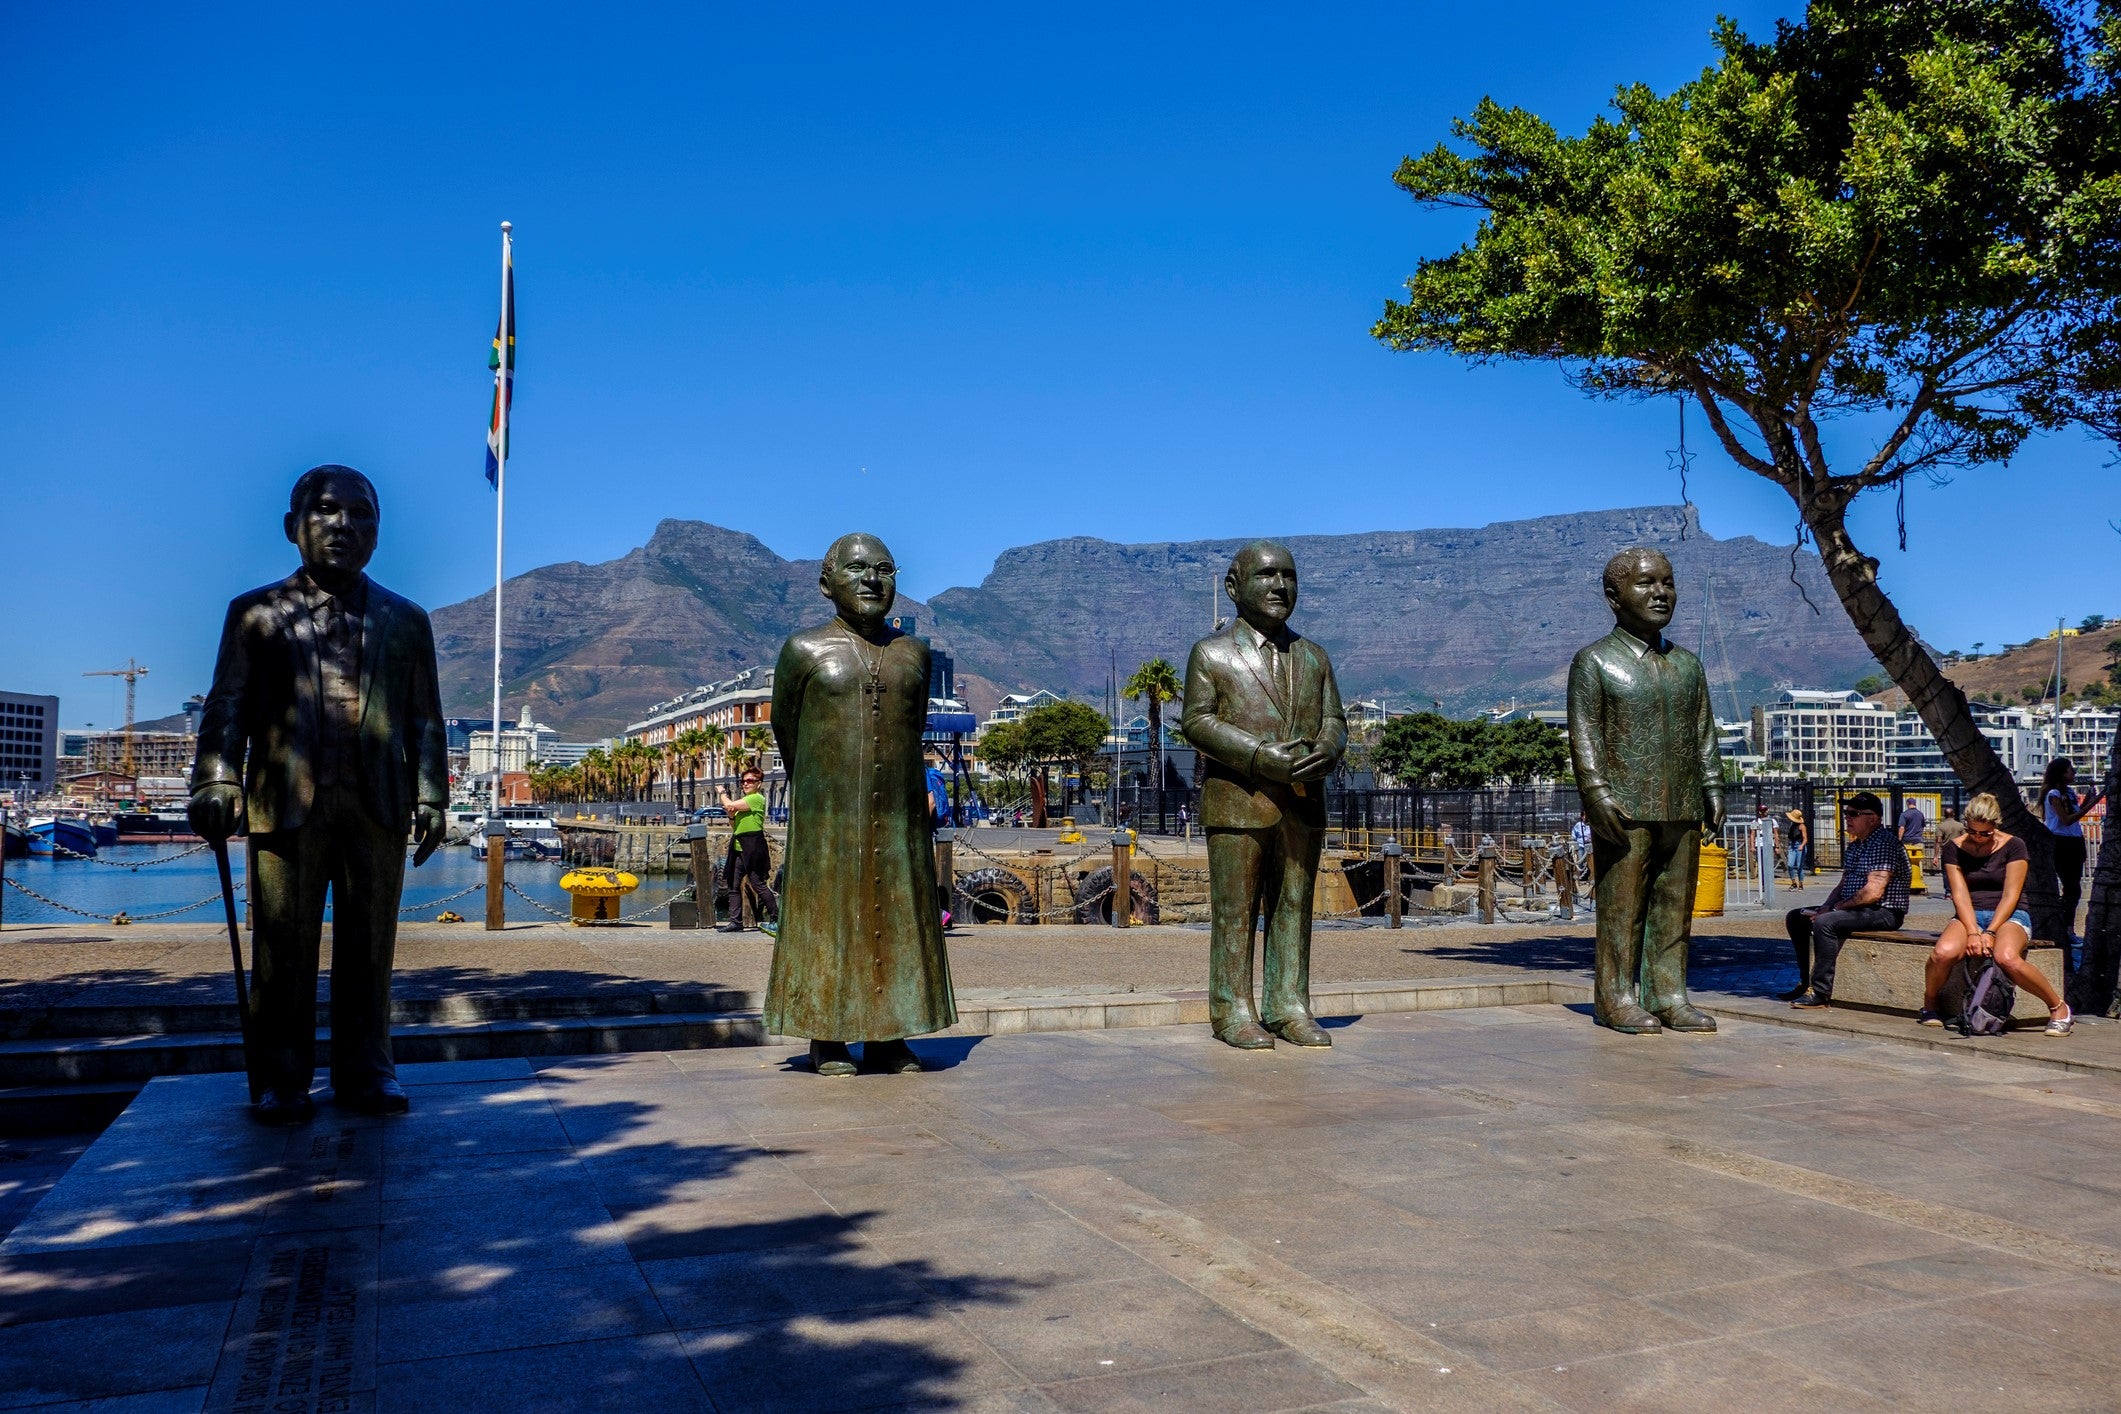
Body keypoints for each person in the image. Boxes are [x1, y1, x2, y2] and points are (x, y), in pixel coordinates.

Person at [189, 465, 448, 1124]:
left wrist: (432, 796)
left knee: (371, 946)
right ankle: (282, 1077)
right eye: (328, 511)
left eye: (362, 515)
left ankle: (368, 1069)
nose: (345, 527)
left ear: (378, 532)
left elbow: (424, 719)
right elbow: (228, 705)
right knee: (282, 945)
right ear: (292, 527)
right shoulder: (254, 614)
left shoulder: (406, 620)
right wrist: (217, 777)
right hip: (284, 803)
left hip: (377, 804)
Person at [767, 533, 955, 1076]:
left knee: (897, 914)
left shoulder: (913, 654)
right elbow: (788, 731)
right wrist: (827, 788)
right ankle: (826, 1037)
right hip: (828, 814)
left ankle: (889, 1035)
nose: (873, 579)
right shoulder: (801, 650)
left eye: (885, 569)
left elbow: (913, 727)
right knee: (826, 917)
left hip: (897, 813)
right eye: (856, 569)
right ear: (827, 583)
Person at [1182, 540, 1348, 1049]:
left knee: (1294, 907)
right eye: (1267, 575)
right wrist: (1258, 755)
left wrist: (1328, 748)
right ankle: (1232, 1010)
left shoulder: (1313, 656)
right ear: (1234, 588)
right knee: (1235, 911)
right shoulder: (1211, 654)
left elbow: (1335, 719)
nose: (1281, 586)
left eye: (1290, 577)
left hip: (1302, 801)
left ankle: (1288, 1004)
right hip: (1238, 802)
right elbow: (1196, 721)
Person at [1567, 548, 1724, 1033]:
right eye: (1646, 583)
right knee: (1623, 907)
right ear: (1614, 598)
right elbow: (1584, 734)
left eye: (1668, 582)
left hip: (1682, 802)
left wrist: (1714, 783)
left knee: (1674, 906)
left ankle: (1668, 992)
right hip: (1625, 807)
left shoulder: (1688, 665)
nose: (1660, 592)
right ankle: (1615, 996)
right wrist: (1595, 793)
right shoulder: (1594, 662)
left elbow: (1704, 731)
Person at [1921, 791, 2071, 1035]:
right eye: (1972, 832)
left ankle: (2058, 1007)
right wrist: (1972, 932)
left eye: (1985, 833)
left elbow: (2011, 895)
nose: (1978, 838)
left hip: (2010, 913)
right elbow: (1960, 894)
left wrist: (1990, 931)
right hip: (1970, 913)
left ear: (1995, 826)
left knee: (2007, 957)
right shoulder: (1954, 848)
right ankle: (1929, 1002)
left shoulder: (2014, 845)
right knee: (1942, 954)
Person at [1782, 792, 1909, 1008]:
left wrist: (1833, 910)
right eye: (1847, 813)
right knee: (1796, 917)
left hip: (1883, 911)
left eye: (1854, 813)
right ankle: (1805, 982)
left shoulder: (1884, 843)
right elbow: (1842, 885)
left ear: (1873, 818)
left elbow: (1873, 892)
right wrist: (1825, 906)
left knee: (1825, 923)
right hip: (1854, 908)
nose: (1848, 817)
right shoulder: (1856, 845)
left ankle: (1821, 992)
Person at [2040, 758, 2104, 951]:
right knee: (2071, 888)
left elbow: (2075, 815)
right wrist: (2087, 807)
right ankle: (2066, 928)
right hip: (2062, 842)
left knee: (2073, 888)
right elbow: (2066, 819)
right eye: (2070, 771)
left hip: (2074, 841)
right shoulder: (2054, 794)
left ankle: (2067, 927)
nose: (2073, 774)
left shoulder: (2068, 792)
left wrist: (2091, 801)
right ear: (2061, 773)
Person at [716, 767, 778, 932]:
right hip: (738, 846)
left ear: (759, 783)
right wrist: (730, 814)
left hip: (753, 846)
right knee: (733, 884)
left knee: (758, 883)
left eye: (750, 781)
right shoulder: (743, 801)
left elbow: (728, 803)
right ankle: (736, 922)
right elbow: (734, 825)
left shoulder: (756, 799)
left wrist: (722, 792)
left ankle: (775, 919)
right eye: (744, 781)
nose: (746, 784)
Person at [1783, 810, 1809, 889]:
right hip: (1792, 845)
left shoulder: (1802, 826)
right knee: (1790, 865)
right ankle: (1793, 882)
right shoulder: (1792, 826)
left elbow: (1805, 839)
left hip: (1799, 845)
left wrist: (1802, 845)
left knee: (1799, 866)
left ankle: (1801, 883)